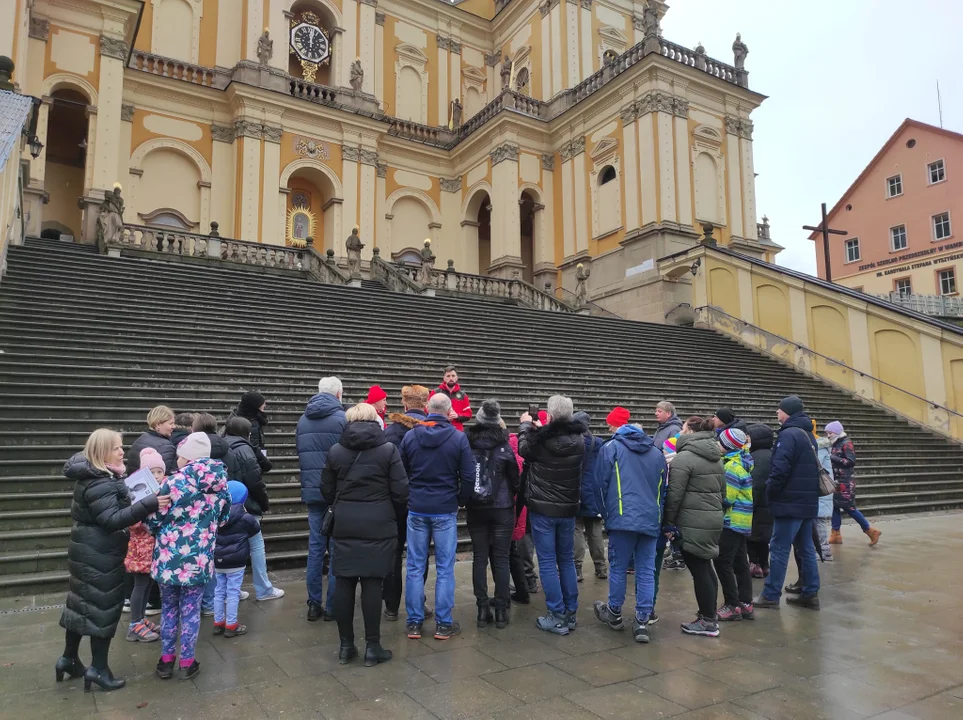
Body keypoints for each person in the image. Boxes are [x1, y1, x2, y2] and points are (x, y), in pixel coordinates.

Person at [57, 429, 169, 692]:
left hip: (87, 548)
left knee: (82, 605)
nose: (122, 451)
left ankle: (68, 659)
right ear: (102, 452)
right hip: (101, 552)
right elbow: (111, 520)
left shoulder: (97, 475)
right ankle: (98, 669)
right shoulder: (101, 482)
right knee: (103, 609)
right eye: (117, 447)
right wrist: (148, 504)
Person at [322, 403, 410, 665]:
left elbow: (326, 490)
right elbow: (401, 491)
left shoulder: (336, 451)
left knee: (345, 582)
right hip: (379, 522)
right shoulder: (387, 450)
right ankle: (373, 647)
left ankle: (346, 647)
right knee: (373, 582)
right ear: (374, 421)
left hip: (346, 523)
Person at [147, 432, 230, 680]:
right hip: (200, 559)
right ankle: (187, 661)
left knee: (169, 608)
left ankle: (166, 660)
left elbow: (153, 520)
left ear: (188, 457)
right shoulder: (220, 485)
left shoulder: (171, 483)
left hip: (168, 559)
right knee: (191, 612)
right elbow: (223, 519)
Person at [400, 393, 475, 640]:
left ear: (427, 409)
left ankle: (413, 622)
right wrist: (459, 500)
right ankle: (443, 623)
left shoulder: (411, 436)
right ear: (450, 410)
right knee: (444, 567)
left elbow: (402, 471)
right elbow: (467, 475)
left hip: (418, 506)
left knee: (414, 565)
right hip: (444, 507)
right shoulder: (458, 438)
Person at [591, 419, 668, 644]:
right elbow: (662, 489)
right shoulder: (657, 453)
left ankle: (614, 612)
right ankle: (643, 619)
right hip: (650, 518)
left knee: (618, 567)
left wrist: (606, 514)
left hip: (622, 518)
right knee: (646, 569)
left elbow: (599, 485)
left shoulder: (611, 448)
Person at [517, 395, 585, 636]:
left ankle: (556, 614)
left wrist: (526, 426)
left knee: (546, 561)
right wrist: (541, 430)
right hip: (567, 508)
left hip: (543, 509)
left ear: (551, 415)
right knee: (565, 559)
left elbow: (524, 449)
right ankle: (570, 612)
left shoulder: (541, 441)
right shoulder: (579, 440)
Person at [753, 395, 821, 610]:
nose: (776, 412)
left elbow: (779, 469)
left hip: (789, 501)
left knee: (780, 548)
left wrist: (770, 492)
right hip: (807, 501)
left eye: (779, 409)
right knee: (806, 548)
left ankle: (771, 594)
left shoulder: (788, 435)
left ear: (788, 412)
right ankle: (810, 592)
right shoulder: (807, 434)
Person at [664, 418, 725, 637]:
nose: (680, 433)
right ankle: (709, 616)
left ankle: (708, 621)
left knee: (700, 569)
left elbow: (674, 495)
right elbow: (722, 492)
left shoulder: (684, 458)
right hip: (712, 518)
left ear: (690, 432)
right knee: (706, 567)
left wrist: (668, 522)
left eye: (682, 429)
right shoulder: (716, 456)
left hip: (692, 520)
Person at [465, 401, 520, 628]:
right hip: (502, 507)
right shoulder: (505, 447)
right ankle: (500, 610)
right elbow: (515, 480)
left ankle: (481, 609)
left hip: (476, 507)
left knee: (479, 557)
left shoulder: (468, 443)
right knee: (501, 557)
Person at [296, 377, 347, 622]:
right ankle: (333, 606)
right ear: (338, 394)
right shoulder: (341, 419)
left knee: (315, 549)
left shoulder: (303, 420)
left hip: (313, 492)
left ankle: (313, 603)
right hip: (336, 493)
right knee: (336, 549)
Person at [383, 384, 432, 621]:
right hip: (421, 499)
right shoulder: (431, 430)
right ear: (425, 406)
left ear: (403, 404)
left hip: (393, 501)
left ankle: (391, 604)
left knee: (393, 552)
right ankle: (418, 602)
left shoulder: (390, 433)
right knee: (419, 554)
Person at [223, 415, 284, 601]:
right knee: (256, 545)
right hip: (246, 505)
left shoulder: (221, 446)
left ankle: (229, 589)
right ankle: (264, 589)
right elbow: (255, 481)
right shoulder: (245, 450)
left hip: (225, 505)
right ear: (246, 433)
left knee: (225, 546)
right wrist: (263, 503)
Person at [713, 428, 755, 622]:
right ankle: (745, 603)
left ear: (727, 446)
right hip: (743, 520)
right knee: (740, 562)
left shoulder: (731, 467)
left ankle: (732, 604)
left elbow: (727, 498)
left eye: (719, 442)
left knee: (722, 562)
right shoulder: (744, 462)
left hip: (731, 521)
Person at [124, 448, 166, 643]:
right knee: (140, 585)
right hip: (141, 547)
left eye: (160, 471)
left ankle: (140, 619)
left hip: (153, 546)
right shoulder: (136, 493)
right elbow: (132, 521)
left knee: (148, 584)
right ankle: (134, 624)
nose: (157, 476)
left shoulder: (161, 490)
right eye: (153, 472)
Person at [213, 481, 261, 638]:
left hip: (218, 559)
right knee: (233, 593)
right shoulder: (244, 516)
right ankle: (231, 624)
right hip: (236, 561)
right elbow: (255, 529)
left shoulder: (215, 513)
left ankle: (218, 622)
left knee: (219, 591)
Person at [827, 421, 881, 546]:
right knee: (834, 507)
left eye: (830, 433)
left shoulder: (846, 443)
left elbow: (851, 461)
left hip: (845, 482)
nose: (828, 435)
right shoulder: (834, 443)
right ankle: (835, 534)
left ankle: (870, 531)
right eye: (827, 433)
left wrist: (833, 458)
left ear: (836, 432)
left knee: (850, 508)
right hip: (835, 481)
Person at [573, 411, 607, 582]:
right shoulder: (598, 443)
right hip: (593, 492)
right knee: (595, 531)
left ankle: (577, 568)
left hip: (576, 491)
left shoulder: (572, 442)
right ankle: (601, 567)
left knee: (576, 530)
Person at [746, 424, 774, 578]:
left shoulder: (757, 457)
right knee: (762, 538)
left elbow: (756, 484)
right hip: (768, 504)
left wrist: (750, 503)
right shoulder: (769, 454)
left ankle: (755, 564)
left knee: (752, 537)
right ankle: (765, 564)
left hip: (758, 505)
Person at [126, 405, 178, 474]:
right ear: (158, 425)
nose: (174, 427)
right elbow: (167, 476)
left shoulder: (139, 440)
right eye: (171, 423)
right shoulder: (166, 446)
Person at [226, 391, 270, 456]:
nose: (264, 405)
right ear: (255, 406)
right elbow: (254, 448)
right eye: (262, 403)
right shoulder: (252, 423)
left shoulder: (235, 417)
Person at [431, 365, 472, 431]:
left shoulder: (462, 395)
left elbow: (468, 414)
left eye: (453, 376)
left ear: (457, 378)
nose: (451, 378)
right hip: (438, 429)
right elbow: (427, 410)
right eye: (448, 376)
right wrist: (442, 416)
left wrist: (457, 416)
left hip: (457, 431)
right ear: (444, 378)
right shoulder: (435, 393)